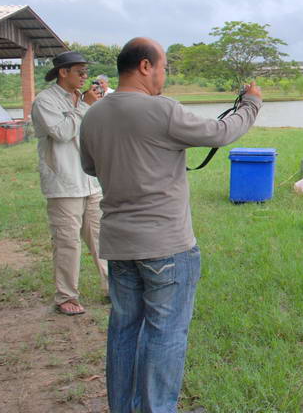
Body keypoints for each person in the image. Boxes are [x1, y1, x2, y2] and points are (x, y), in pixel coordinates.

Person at [79, 38, 262, 413]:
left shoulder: (92, 114)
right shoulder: (161, 110)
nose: (165, 76)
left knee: (124, 331)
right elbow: (220, 132)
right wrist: (251, 103)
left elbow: (90, 167)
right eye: (164, 67)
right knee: (165, 334)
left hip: (118, 245)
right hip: (166, 246)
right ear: (145, 66)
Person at [31, 50, 108, 315]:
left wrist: (96, 102)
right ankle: (66, 296)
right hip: (64, 184)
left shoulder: (84, 98)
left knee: (102, 238)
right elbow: (62, 133)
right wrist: (85, 105)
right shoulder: (45, 101)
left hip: (90, 181)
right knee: (67, 241)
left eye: (86, 72)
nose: (85, 76)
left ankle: (112, 288)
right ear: (63, 72)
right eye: (80, 72)